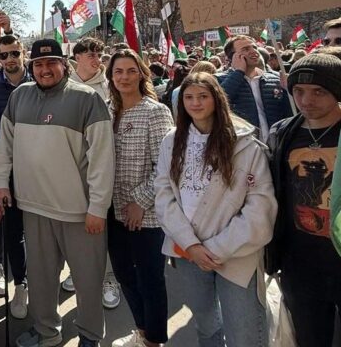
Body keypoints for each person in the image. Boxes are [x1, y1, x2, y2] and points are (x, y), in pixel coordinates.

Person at [0, 39, 115, 347]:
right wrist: (0, 183)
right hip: (33, 207)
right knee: (41, 278)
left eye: (51, 63)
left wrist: (98, 208)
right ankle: (47, 332)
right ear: (31, 67)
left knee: (87, 280)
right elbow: (3, 145)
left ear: (65, 64)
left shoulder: (88, 99)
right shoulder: (19, 97)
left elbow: (102, 159)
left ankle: (89, 335)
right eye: (38, 64)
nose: (45, 70)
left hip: (79, 211)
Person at [154, 72, 277, 347]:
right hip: (188, 251)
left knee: (243, 331)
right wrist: (191, 245)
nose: (195, 103)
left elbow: (260, 205)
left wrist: (218, 248)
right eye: (188, 97)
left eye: (203, 96)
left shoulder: (245, 144)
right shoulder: (171, 141)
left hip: (235, 253)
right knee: (206, 324)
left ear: (216, 99)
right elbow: (163, 195)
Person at [265, 54, 341, 347]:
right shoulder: (282, 133)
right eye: (299, 91)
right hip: (300, 264)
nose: (306, 99)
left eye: (319, 91)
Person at [105, 50, 173, 347]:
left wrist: (141, 201)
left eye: (131, 71)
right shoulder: (107, 110)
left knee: (150, 279)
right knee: (123, 274)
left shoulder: (155, 111)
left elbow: (166, 165)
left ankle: (155, 340)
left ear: (142, 74)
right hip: (112, 210)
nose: (124, 77)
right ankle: (143, 331)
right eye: (118, 71)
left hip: (145, 213)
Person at [62, 37, 122, 311]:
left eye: (98, 54)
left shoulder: (111, 89)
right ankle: (78, 272)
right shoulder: (64, 87)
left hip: (102, 167)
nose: (97, 59)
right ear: (76, 58)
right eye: (90, 54)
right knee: (76, 228)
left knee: (102, 224)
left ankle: (108, 278)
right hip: (71, 171)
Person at [0, 34, 32, 318]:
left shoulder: (39, 80)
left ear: (22, 53)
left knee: (41, 234)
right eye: (4, 55)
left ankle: (41, 281)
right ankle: (21, 283)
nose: (9, 59)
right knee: (14, 234)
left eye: (14, 53)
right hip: (9, 173)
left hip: (40, 173)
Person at [218, 35, 292, 141]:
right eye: (246, 49)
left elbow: (289, 112)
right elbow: (218, 102)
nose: (254, 51)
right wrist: (238, 73)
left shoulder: (275, 78)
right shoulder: (218, 80)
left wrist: (287, 91)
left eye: (254, 47)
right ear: (232, 56)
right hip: (243, 146)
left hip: (276, 145)